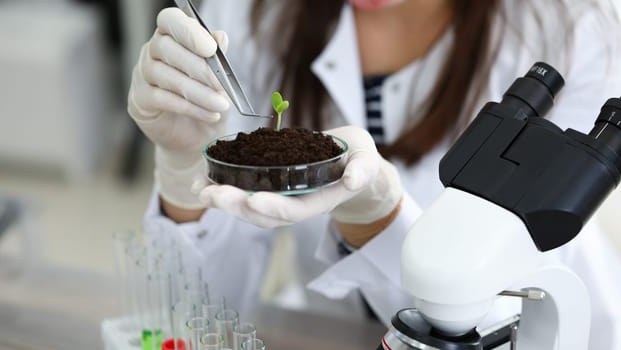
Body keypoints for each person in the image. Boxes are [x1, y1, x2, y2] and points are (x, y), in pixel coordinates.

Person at [128, 0, 621, 347]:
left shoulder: (571, 26)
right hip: (330, 332)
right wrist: (181, 171)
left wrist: (380, 221)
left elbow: (505, 321)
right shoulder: (249, 15)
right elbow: (196, 324)